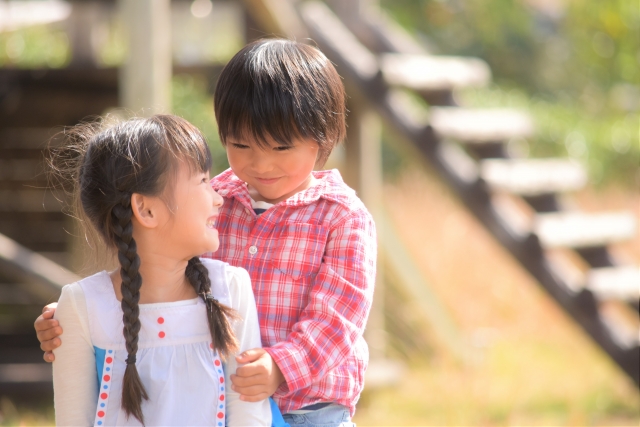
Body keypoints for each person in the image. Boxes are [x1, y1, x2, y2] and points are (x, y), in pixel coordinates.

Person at [36, 39, 377, 427]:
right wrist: (85, 317)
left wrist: (280, 367)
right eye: (241, 144)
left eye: (282, 147)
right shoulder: (216, 199)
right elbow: (162, 274)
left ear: (323, 136)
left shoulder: (342, 217)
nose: (261, 163)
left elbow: (338, 322)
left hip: (308, 409)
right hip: (214, 398)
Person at [47, 114, 271, 426]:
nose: (218, 198)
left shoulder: (231, 288)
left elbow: (249, 416)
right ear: (147, 209)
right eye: (203, 181)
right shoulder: (82, 306)